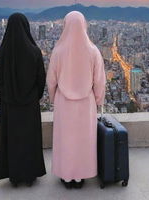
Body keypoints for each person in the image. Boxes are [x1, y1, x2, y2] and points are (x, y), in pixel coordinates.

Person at [47, 11, 106, 189]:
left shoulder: (58, 51)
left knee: (66, 140)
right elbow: (99, 80)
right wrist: (98, 100)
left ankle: (66, 176)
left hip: (63, 103)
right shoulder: (93, 50)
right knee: (83, 140)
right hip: (86, 103)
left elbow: (51, 80)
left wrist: (52, 98)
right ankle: (81, 177)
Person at [0, 13, 46, 187]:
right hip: (29, 105)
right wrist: (33, 97)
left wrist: (6, 96)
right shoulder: (35, 51)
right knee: (30, 140)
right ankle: (30, 175)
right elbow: (41, 79)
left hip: (9, 106)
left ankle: (14, 176)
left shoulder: (2, 52)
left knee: (12, 140)